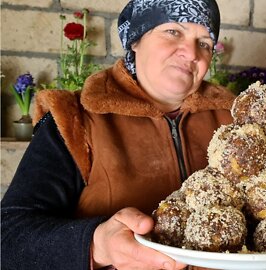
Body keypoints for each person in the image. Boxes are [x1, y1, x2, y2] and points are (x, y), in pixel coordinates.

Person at [1, 0, 235, 269]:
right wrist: (96, 245)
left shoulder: (236, 125)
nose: (191, 53)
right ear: (136, 39)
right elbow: (8, 237)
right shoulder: (74, 118)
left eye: (204, 43)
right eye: (174, 32)